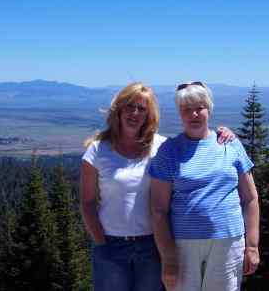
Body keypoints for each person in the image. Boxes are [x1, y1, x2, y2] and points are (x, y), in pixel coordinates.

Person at [80, 82, 235, 291]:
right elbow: (87, 203)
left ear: (149, 114)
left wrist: (223, 133)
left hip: (153, 247)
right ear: (119, 110)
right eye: (129, 106)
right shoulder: (98, 150)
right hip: (110, 245)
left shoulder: (162, 147)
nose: (135, 113)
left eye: (142, 109)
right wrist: (100, 242)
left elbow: (196, 143)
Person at [149, 81, 260, 291]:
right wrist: (168, 258)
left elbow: (250, 198)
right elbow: (158, 210)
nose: (194, 114)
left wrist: (252, 246)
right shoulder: (169, 151)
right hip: (183, 244)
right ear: (179, 113)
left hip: (228, 241)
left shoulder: (230, 144)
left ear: (208, 108)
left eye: (199, 107)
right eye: (187, 109)